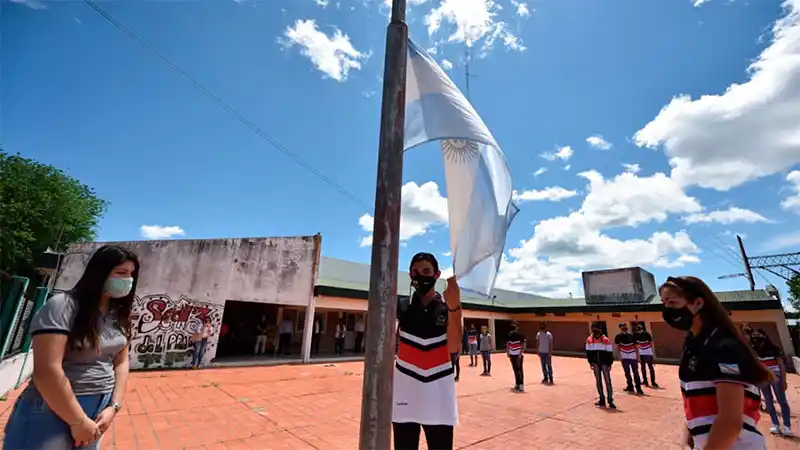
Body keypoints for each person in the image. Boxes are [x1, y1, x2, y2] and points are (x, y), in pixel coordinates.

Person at [3, 245, 139, 450]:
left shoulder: (118, 315)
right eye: (121, 273)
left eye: (131, 274)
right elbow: (48, 370)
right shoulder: (62, 306)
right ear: (99, 273)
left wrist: (114, 406)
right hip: (53, 408)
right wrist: (78, 421)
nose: (128, 280)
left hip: (99, 406)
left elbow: (121, 360)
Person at [660, 276, 773, 450]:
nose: (667, 309)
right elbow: (695, 406)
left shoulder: (723, 347)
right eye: (664, 302)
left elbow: (730, 421)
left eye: (672, 302)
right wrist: (688, 440)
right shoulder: (694, 345)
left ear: (698, 303)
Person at [393, 252, 462, 450]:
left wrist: (454, 304)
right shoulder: (401, 305)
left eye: (426, 271)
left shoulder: (446, 307)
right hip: (405, 395)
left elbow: (455, 347)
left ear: (437, 274)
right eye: (415, 272)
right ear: (410, 276)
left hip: (439, 396)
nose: (420, 276)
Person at [749, 328, 793, 436]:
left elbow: (781, 365)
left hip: (775, 377)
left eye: (758, 334)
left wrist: (784, 380)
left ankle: (787, 426)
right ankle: (775, 425)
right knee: (768, 402)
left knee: (782, 401)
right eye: (754, 335)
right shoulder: (752, 350)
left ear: (764, 335)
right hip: (763, 378)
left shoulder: (774, 349)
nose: (755, 337)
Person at [586, 323, 615, 409]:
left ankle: (610, 400)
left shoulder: (605, 340)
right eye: (593, 329)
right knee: (598, 382)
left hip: (605, 363)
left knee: (607, 382)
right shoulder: (589, 339)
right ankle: (601, 399)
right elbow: (588, 353)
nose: (595, 332)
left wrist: (609, 364)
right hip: (595, 363)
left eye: (596, 329)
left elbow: (610, 353)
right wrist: (590, 363)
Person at [615, 323, 643, 395]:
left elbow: (636, 346)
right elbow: (618, 347)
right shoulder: (618, 337)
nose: (625, 328)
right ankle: (630, 387)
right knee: (627, 373)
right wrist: (620, 357)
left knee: (636, 373)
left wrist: (638, 357)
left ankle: (638, 388)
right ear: (620, 328)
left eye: (625, 326)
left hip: (632, 357)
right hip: (624, 357)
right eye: (623, 327)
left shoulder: (632, 336)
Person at [634, 323, 659, 388]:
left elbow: (650, 344)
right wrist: (638, 355)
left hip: (648, 353)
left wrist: (651, 353)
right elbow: (636, 345)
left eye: (640, 330)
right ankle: (645, 381)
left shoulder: (647, 334)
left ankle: (653, 382)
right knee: (643, 367)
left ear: (642, 329)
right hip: (641, 353)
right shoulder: (636, 335)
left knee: (650, 367)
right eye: (638, 330)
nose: (639, 331)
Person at [507, 321, 526, 392]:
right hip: (512, 354)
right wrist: (508, 352)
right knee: (515, 369)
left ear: (517, 327)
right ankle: (517, 384)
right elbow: (508, 343)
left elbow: (524, 345)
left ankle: (521, 385)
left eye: (514, 325)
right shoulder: (509, 334)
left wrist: (520, 353)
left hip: (518, 354)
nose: (513, 327)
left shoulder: (521, 335)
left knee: (519, 370)